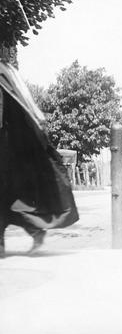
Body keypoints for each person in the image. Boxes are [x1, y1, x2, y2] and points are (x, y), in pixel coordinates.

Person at [0, 62, 78, 258]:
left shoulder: (3, 71)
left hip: (8, 145)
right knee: (7, 198)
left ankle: (32, 232)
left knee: (8, 196)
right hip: (9, 143)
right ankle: (31, 233)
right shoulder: (5, 69)